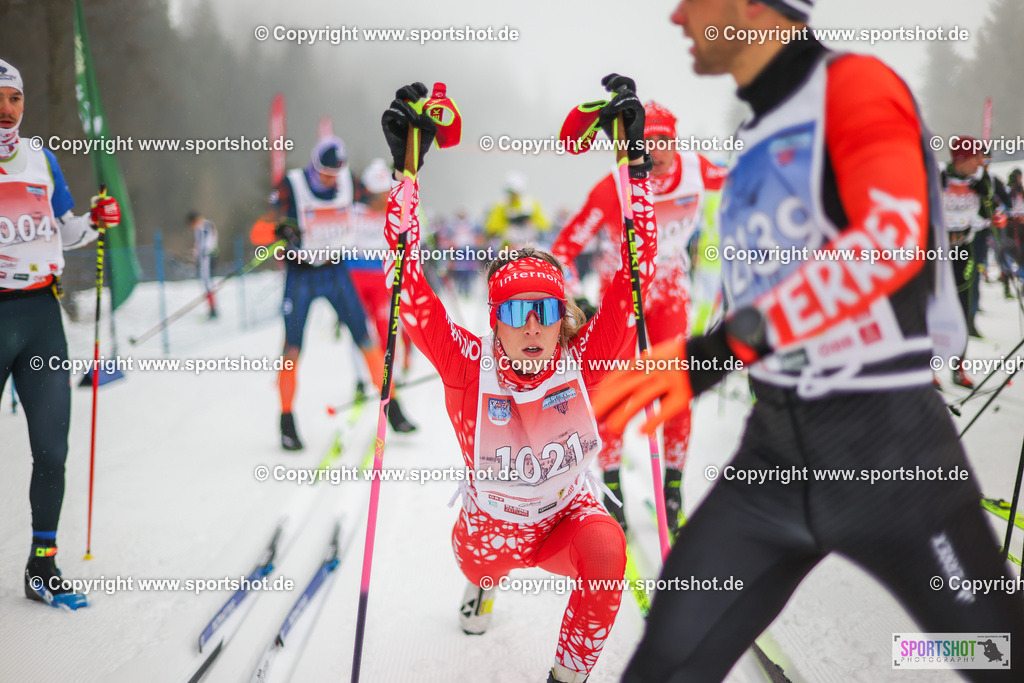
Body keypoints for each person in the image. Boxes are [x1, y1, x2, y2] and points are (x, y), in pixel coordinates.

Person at [592, 3, 1024, 681]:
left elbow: (890, 240)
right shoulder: (760, 130)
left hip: (887, 451)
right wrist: (633, 159)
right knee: (662, 666)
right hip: (773, 460)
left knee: (1002, 654)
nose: (677, 15)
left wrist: (712, 354)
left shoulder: (853, 85)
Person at [379, 79, 656, 683]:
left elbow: (636, 273)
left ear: (561, 322)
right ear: (493, 321)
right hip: (487, 538)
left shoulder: (582, 360)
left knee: (610, 549)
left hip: (564, 521)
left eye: (545, 312)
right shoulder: (465, 363)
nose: (531, 327)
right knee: (483, 569)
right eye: (513, 312)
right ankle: (481, 587)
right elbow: (407, 282)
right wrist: (407, 173)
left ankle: (567, 678)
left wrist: (633, 163)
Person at [549, 100, 726, 534]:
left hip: (668, 293)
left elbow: (748, 177)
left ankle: (672, 489)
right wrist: (577, 298)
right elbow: (563, 251)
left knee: (677, 389)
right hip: (622, 300)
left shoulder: (697, 169)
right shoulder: (615, 186)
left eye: (665, 140)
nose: (657, 151)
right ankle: (612, 489)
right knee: (614, 394)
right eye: (647, 141)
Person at [0, 58, 121, 610]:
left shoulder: (41, 158)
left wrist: (96, 219)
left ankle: (42, 565)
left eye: (14, 99)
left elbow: (66, 229)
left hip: (41, 319)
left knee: (52, 449)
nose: (7, 110)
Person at [269, 136, 413, 450]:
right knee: (292, 349)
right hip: (301, 274)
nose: (331, 180)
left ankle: (395, 410)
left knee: (366, 340)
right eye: (324, 174)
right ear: (312, 167)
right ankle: (286, 421)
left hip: (335, 272)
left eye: (335, 174)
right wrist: (280, 229)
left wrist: (407, 155)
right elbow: (263, 227)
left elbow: (383, 192)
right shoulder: (291, 185)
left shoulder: (350, 183)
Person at [340, 157, 416, 427]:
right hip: (354, 279)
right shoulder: (354, 212)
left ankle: (387, 379)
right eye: (379, 194)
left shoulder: (395, 213)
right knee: (359, 330)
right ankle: (360, 379)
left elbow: (406, 245)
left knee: (386, 331)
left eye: (387, 193)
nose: (384, 198)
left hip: (381, 279)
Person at [941, 137, 990, 387]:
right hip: (936, 254)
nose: (981, 162)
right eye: (976, 157)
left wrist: (986, 198)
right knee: (934, 308)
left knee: (962, 308)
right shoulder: (938, 177)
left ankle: (958, 367)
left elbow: (988, 218)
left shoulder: (979, 180)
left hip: (964, 250)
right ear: (961, 159)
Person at [483, 170, 552, 249]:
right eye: (510, 192)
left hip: (530, 245)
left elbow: (546, 224)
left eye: (514, 192)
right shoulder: (501, 205)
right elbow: (491, 227)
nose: (512, 195)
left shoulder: (531, 203)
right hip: (507, 247)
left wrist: (530, 223)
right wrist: (509, 226)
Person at [187, 210, 219, 318]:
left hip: (207, 256)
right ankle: (211, 308)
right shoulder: (201, 227)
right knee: (206, 282)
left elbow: (205, 243)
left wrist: (200, 254)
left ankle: (213, 309)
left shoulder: (204, 226)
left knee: (207, 282)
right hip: (205, 256)